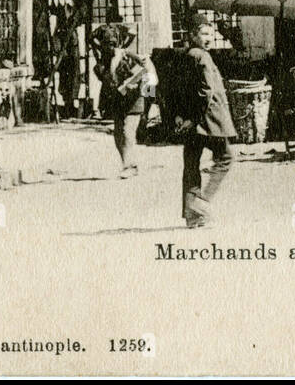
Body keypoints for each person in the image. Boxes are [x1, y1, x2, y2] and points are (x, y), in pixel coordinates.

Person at [174, 15, 237, 228]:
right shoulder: (201, 57)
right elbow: (205, 91)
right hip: (208, 120)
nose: (208, 38)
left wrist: (182, 115)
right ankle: (202, 202)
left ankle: (193, 217)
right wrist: (194, 118)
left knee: (191, 163)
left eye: (210, 34)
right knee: (226, 157)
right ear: (192, 35)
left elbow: (180, 89)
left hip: (193, 120)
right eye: (203, 34)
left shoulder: (186, 55)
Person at [93, 23, 158, 178]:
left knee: (128, 131)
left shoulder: (132, 56)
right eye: (107, 44)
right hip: (116, 99)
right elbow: (111, 80)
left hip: (135, 98)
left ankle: (130, 165)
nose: (111, 47)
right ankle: (126, 162)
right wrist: (115, 60)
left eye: (113, 43)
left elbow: (151, 74)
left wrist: (149, 96)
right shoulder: (101, 66)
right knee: (118, 132)